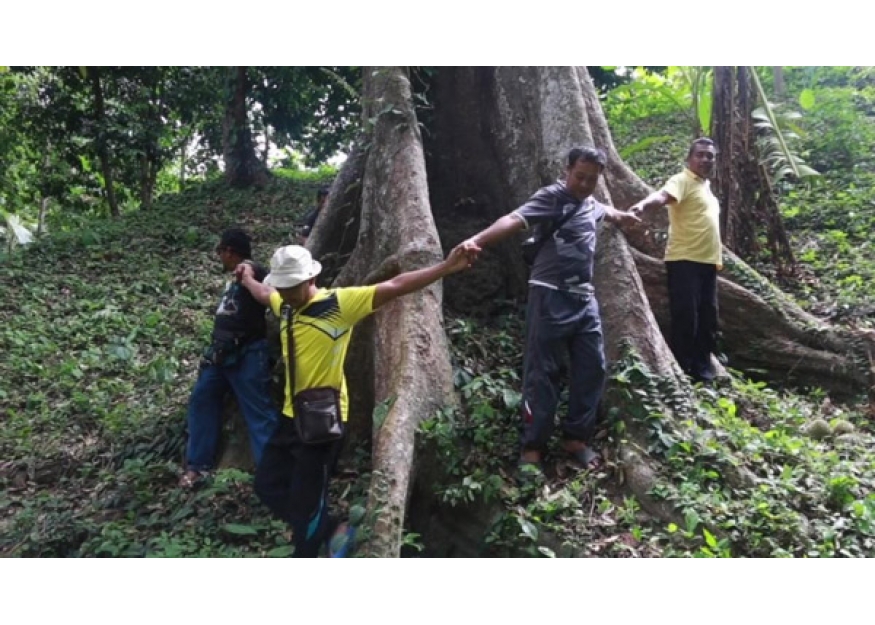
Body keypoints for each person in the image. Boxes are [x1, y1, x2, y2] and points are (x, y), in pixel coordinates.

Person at [236, 242, 474, 557]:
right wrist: (247, 277)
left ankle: (306, 551)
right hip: (291, 416)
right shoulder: (285, 304)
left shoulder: (339, 305)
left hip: (324, 421)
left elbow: (394, 286)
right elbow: (265, 295)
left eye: (293, 286)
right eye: (284, 287)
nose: (287, 293)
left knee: (306, 505)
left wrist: (444, 268)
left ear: (310, 280)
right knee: (267, 486)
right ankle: (334, 529)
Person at [461, 147, 639, 473]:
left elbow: (603, 210)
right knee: (543, 373)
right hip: (550, 295)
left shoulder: (590, 203)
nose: (585, 184)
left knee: (593, 368)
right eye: (579, 176)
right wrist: (478, 241)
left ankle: (576, 439)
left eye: (591, 179)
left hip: (584, 299)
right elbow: (514, 219)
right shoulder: (552, 197)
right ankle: (533, 447)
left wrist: (620, 215)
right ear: (567, 170)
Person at [180, 229, 280, 488]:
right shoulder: (233, 283)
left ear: (229, 251)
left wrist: (246, 268)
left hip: (247, 354)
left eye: (221, 252)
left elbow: (255, 272)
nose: (219, 257)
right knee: (201, 401)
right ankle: (197, 467)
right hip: (220, 356)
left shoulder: (251, 272)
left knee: (259, 412)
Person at [629, 138, 721, 384]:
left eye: (709, 156)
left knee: (708, 318)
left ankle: (703, 370)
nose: (705, 160)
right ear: (689, 159)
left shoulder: (706, 188)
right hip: (684, 260)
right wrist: (641, 207)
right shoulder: (682, 180)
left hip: (708, 262)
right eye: (700, 155)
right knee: (685, 317)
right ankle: (682, 368)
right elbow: (661, 197)